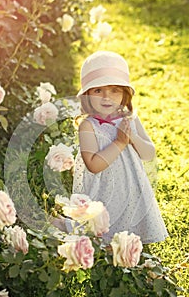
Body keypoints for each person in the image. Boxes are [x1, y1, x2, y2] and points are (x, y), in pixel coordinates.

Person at [72, 50, 168, 244]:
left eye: (114, 90)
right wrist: (120, 142)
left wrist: (132, 138)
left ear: (125, 95)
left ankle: (131, 237)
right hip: (104, 188)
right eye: (98, 91)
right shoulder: (88, 126)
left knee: (131, 211)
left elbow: (149, 153)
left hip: (131, 184)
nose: (106, 97)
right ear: (88, 96)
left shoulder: (129, 119)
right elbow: (93, 165)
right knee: (105, 225)